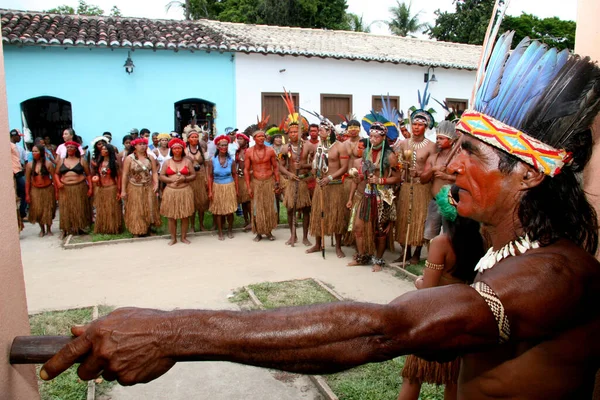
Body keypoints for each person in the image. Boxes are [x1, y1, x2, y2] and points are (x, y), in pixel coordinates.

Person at [39, 34, 600, 400]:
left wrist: (174, 332)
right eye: (450, 148)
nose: (445, 165)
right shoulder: (503, 256)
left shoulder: (559, 275)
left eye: (467, 154)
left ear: (528, 174)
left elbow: (390, 329)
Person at [398, 185, 485, 400]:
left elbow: (428, 289)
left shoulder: (440, 243)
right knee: (454, 380)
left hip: (434, 318)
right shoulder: (481, 241)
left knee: (413, 377)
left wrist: (418, 281)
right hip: (462, 318)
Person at [347, 117, 401, 271]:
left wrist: (381, 180)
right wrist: (360, 177)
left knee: (380, 230)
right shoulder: (366, 152)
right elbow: (366, 173)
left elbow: (398, 178)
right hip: (367, 193)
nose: (373, 139)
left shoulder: (390, 156)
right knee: (358, 227)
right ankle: (362, 256)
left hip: (382, 196)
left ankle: (378, 260)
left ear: (384, 137)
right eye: (371, 136)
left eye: (376, 136)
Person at [394, 93, 437, 265]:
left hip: (421, 187)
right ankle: (405, 250)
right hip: (406, 186)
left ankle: (417, 252)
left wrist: (419, 174)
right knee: (404, 218)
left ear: (426, 127)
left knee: (419, 219)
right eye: (414, 124)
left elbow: (431, 168)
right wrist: (401, 167)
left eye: (420, 125)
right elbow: (397, 164)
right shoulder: (404, 144)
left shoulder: (431, 146)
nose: (416, 127)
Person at [306, 120, 349, 258]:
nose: (319, 132)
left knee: (336, 216)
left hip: (335, 186)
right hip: (321, 186)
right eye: (318, 130)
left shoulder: (339, 147)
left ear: (329, 131)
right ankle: (318, 244)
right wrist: (315, 174)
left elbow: (344, 167)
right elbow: (314, 165)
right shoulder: (319, 146)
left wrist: (329, 178)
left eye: (322, 130)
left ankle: (338, 247)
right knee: (319, 214)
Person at [420, 121, 458, 243]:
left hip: (453, 203)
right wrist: (433, 169)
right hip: (435, 201)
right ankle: (432, 260)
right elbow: (423, 179)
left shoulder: (459, 158)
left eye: (441, 138)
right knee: (429, 236)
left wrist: (447, 177)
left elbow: (465, 179)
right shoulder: (432, 158)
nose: (438, 141)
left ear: (451, 141)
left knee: (451, 236)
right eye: (437, 138)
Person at [279, 121, 315, 247]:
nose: (293, 134)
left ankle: (305, 237)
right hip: (292, 182)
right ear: (288, 133)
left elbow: (316, 164)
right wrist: (289, 174)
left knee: (306, 210)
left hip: (304, 182)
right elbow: (280, 166)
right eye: (291, 132)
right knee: (290, 210)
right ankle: (292, 235)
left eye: (296, 131)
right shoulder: (284, 148)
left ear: (301, 133)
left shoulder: (309, 146)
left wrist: (304, 165)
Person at [244, 130, 280, 242]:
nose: (261, 138)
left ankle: (268, 231)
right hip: (257, 183)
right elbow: (246, 170)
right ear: (254, 138)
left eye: (263, 136)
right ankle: (259, 232)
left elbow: (276, 167)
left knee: (269, 207)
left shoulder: (270, 151)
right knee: (257, 208)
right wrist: (249, 186)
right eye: (259, 136)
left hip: (269, 182)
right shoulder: (249, 152)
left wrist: (277, 182)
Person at [159, 138, 196, 245]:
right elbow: (161, 176)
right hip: (171, 191)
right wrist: (171, 180)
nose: (177, 150)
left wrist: (184, 179)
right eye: (175, 148)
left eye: (179, 148)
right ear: (172, 150)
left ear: (182, 149)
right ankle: (173, 238)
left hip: (184, 191)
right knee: (171, 216)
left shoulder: (187, 161)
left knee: (185, 215)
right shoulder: (167, 162)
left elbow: (193, 175)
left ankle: (183, 237)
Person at [121, 138, 161, 237]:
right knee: (137, 209)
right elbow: (125, 175)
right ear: (135, 146)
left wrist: (156, 183)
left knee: (149, 207)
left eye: (144, 144)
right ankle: (137, 230)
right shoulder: (129, 158)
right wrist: (123, 190)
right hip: (134, 187)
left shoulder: (150, 157)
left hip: (148, 186)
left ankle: (148, 228)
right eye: (140, 144)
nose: (143, 146)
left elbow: (155, 172)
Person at [54, 141, 92, 237]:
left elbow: (88, 175)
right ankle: (65, 229)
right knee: (66, 208)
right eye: (68, 147)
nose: (70, 149)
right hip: (65, 188)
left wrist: (90, 188)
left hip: (79, 187)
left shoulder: (82, 161)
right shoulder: (61, 161)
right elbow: (56, 174)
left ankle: (78, 227)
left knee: (78, 207)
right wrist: (58, 183)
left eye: (72, 147)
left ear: (76, 149)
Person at [208, 135, 239, 241]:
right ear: (217, 146)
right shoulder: (212, 160)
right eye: (222, 145)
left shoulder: (231, 160)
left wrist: (237, 189)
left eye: (226, 145)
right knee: (219, 211)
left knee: (230, 211)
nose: (224, 147)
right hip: (217, 186)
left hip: (229, 186)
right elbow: (210, 176)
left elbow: (235, 175)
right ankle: (220, 232)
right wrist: (210, 191)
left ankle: (230, 230)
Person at [25, 144, 56, 237]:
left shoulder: (48, 164)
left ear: (41, 152)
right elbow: (27, 181)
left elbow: (54, 179)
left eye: (36, 151)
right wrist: (27, 194)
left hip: (47, 189)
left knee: (48, 209)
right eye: (33, 151)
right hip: (35, 190)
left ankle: (49, 229)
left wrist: (57, 192)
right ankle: (42, 229)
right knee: (38, 211)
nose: (34, 153)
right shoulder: (30, 165)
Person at [92, 144, 122, 235]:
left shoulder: (114, 163)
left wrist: (118, 190)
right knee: (102, 209)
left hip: (111, 188)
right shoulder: (99, 163)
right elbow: (96, 174)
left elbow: (119, 177)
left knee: (111, 209)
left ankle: (113, 228)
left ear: (109, 152)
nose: (103, 151)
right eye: (102, 149)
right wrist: (96, 178)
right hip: (101, 188)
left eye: (105, 149)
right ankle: (103, 227)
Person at [186, 131, 209, 232]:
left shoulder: (203, 150)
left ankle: (201, 224)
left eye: (196, 137)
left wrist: (207, 178)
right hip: (190, 179)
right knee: (192, 203)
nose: (194, 139)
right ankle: (191, 226)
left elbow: (207, 164)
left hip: (201, 177)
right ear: (188, 139)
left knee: (201, 203)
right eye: (192, 137)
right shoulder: (184, 150)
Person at [235, 132, 252, 231]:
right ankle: (246, 220)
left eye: (241, 139)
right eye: (238, 139)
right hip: (239, 178)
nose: (239, 140)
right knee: (242, 202)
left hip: (248, 178)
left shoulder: (249, 151)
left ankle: (251, 221)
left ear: (246, 141)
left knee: (248, 201)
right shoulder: (237, 151)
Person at [10, 129, 28, 221]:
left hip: (18, 171)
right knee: (25, 190)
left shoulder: (16, 147)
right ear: (14, 136)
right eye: (19, 136)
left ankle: (21, 212)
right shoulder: (10, 145)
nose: (20, 138)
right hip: (15, 173)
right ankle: (22, 213)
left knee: (23, 192)